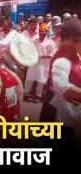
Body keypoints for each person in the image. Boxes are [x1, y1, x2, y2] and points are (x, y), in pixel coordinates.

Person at [49, 20, 81, 148]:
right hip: (64, 118)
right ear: (69, 40)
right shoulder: (61, 60)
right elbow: (62, 87)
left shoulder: (76, 56)